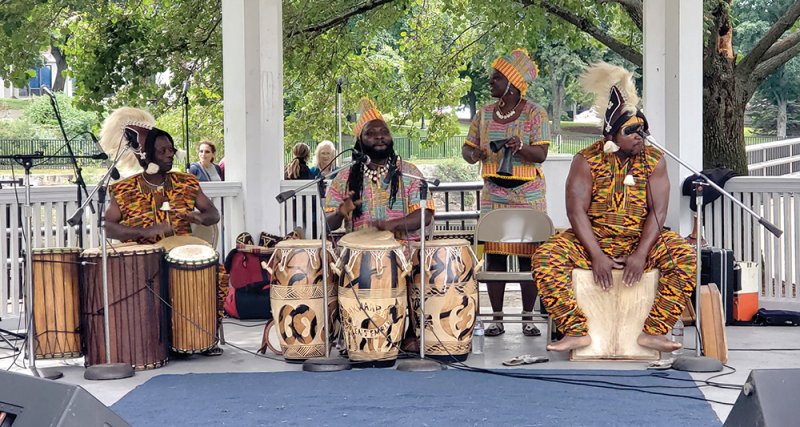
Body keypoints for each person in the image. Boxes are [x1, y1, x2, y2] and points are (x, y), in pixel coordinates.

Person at [531, 62, 696, 353]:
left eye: (643, 129)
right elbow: (575, 211)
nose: (639, 135)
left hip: (640, 240)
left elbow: (658, 213)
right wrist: (596, 254)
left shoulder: (655, 160)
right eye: (631, 130)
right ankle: (575, 331)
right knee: (546, 258)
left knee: (683, 255)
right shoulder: (586, 160)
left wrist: (640, 254)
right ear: (610, 135)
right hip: (590, 240)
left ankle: (654, 331)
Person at [99, 107, 224, 356]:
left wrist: (195, 216)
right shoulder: (124, 189)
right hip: (142, 258)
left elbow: (213, 215)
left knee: (216, 270)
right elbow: (108, 226)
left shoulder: (186, 183)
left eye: (171, 150)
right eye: (162, 151)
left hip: (181, 254)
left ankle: (202, 335)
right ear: (146, 156)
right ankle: (146, 340)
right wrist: (144, 230)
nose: (169, 156)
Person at [325, 98, 435, 352]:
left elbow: (425, 214)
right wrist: (341, 212)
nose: (379, 137)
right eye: (371, 133)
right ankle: (354, 332)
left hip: (404, 248)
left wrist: (390, 225)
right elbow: (327, 223)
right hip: (358, 254)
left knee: (415, 262)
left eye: (384, 131)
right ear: (360, 140)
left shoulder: (408, 172)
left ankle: (410, 332)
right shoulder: (345, 177)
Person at [462, 49, 550, 338]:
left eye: (496, 77)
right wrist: (475, 154)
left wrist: (519, 147)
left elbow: (541, 154)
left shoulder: (536, 113)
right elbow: (467, 148)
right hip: (493, 191)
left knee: (529, 257)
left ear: (512, 82)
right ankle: (496, 318)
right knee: (495, 256)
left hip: (528, 193)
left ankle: (528, 317)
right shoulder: (484, 114)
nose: (490, 81)